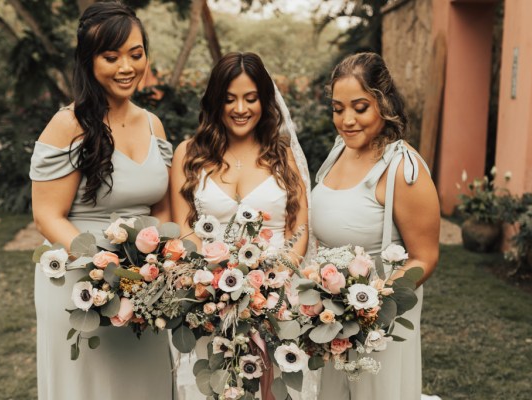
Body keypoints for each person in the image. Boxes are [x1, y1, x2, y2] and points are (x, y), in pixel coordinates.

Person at [29, 2, 173, 399]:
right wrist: (102, 269)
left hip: (145, 285)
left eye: (136, 53)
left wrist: (155, 264)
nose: (126, 67)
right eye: (111, 57)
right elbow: (46, 216)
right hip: (79, 283)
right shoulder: (68, 124)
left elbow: (161, 207)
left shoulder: (152, 123)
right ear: (88, 61)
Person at [169, 52, 315, 399]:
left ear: (264, 101)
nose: (240, 108)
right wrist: (213, 287)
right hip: (209, 302)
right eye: (229, 98)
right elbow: (185, 230)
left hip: (279, 301)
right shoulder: (188, 155)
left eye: (250, 98)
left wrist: (273, 285)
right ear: (215, 101)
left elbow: (300, 229)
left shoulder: (283, 155)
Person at [311, 52, 440, 400]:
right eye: (338, 109)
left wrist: (367, 307)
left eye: (360, 107)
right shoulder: (339, 150)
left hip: (380, 325)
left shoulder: (403, 168)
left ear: (383, 104)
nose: (347, 120)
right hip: (331, 322)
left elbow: (424, 257)